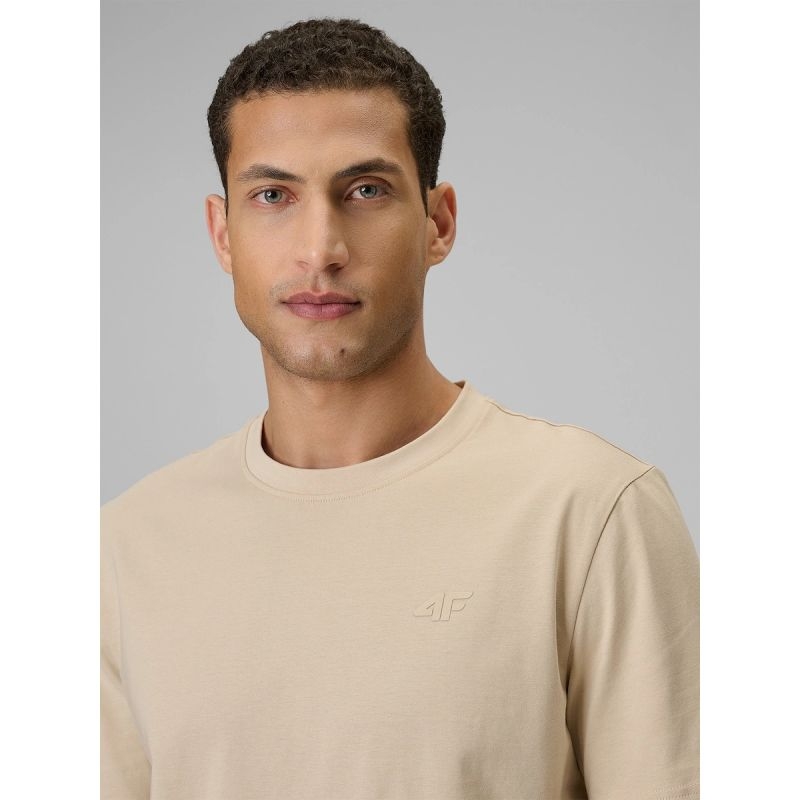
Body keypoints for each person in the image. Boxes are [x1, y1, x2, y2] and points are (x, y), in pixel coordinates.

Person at [101, 18, 699, 800]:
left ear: (437, 223)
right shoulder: (126, 549)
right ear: (223, 233)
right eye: (273, 195)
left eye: (365, 191)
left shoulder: (590, 512)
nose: (320, 248)